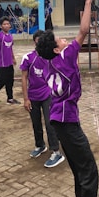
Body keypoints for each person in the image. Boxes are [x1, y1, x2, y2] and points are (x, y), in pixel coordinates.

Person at [35, 0, 99, 197]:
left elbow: (42, 50)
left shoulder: (46, 63)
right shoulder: (65, 57)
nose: (65, 40)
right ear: (56, 50)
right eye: (60, 41)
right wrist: (87, 1)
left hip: (59, 118)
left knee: (78, 163)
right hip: (66, 120)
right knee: (89, 167)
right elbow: (84, 30)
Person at [20, 30, 65, 168]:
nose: (41, 42)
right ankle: (40, 145)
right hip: (33, 96)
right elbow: (23, 78)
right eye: (38, 40)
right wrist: (25, 98)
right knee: (36, 122)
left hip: (47, 94)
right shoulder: (28, 57)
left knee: (49, 121)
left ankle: (56, 151)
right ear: (35, 42)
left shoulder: (50, 57)